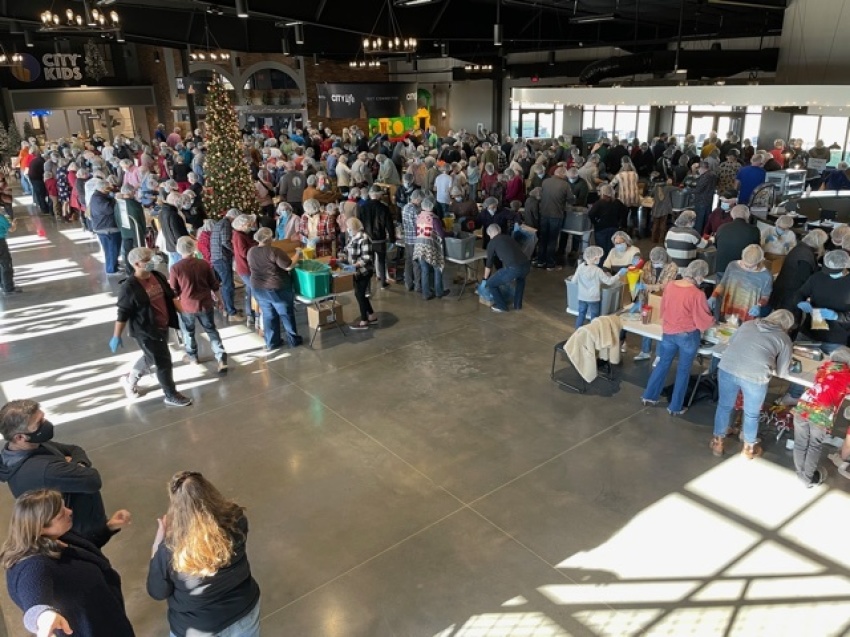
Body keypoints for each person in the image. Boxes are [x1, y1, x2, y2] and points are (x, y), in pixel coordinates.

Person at [1, 490, 135, 637]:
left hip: (105, 617)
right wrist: (43, 616)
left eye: (64, 506)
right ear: (40, 527)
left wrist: (108, 528)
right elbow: (34, 603)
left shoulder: (57, 535)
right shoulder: (33, 567)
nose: (69, 512)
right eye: (60, 514)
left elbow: (82, 549)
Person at [0, 399, 131, 548]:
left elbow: (74, 449)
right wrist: (76, 465)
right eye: (39, 423)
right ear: (19, 437)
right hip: (81, 536)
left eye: (43, 417)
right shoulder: (45, 470)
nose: (46, 423)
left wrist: (74, 465)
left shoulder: (30, 446)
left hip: (87, 528)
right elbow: (92, 480)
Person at [147, 471, 260, 637]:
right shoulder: (237, 520)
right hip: (244, 612)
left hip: (197, 628)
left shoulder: (170, 550)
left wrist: (158, 544)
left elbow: (157, 592)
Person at [110, 246, 193, 407]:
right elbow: (123, 313)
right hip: (146, 331)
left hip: (162, 325)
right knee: (164, 362)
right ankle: (170, 394)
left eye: (151, 259)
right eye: (146, 261)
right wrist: (116, 335)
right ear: (136, 264)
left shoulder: (157, 276)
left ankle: (130, 379)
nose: (151, 262)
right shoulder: (130, 287)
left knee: (151, 357)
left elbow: (171, 296)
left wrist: (184, 313)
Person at [711, 310, 794, 459]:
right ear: (787, 326)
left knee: (724, 406)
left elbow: (732, 342)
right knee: (752, 414)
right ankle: (748, 449)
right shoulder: (784, 338)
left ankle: (718, 442)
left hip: (728, 367)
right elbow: (782, 372)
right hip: (755, 376)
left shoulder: (748, 324)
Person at [641, 259, 714, 416]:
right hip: (688, 336)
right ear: (699, 276)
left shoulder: (670, 285)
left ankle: (649, 396)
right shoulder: (697, 294)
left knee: (662, 364)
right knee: (683, 370)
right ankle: (675, 407)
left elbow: (664, 308)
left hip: (668, 332)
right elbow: (703, 320)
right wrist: (712, 320)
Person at [789, 347, 850, 487]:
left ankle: (801, 474)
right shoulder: (847, 374)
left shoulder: (823, 368)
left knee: (800, 443)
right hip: (821, 412)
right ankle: (807, 478)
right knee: (814, 445)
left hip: (804, 405)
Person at [169, 236, 228, 372]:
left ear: (179, 249)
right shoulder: (204, 264)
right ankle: (221, 358)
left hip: (187, 306)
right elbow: (214, 284)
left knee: (188, 332)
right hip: (205, 303)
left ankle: (193, 357)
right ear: (193, 247)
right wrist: (219, 300)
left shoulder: (176, 268)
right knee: (211, 330)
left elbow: (174, 290)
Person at [247, 227, 303, 350]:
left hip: (258, 288)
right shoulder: (275, 251)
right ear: (270, 238)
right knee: (286, 314)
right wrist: (298, 253)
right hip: (277, 288)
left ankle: (272, 342)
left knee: (268, 315)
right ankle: (293, 340)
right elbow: (288, 266)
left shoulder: (251, 251)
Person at [634, 247, 679, 362]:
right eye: (653, 262)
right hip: (648, 298)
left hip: (663, 299)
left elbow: (665, 285)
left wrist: (648, 287)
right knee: (647, 323)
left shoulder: (672, 267)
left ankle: (659, 355)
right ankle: (645, 351)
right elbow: (643, 278)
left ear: (663, 259)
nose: (655, 264)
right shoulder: (648, 264)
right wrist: (641, 291)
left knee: (660, 326)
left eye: (657, 262)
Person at [709, 244, 772, 323]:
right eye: (745, 264)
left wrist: (759, 306)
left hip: (748, 313)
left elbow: (765, 296)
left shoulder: (766, 276)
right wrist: (714, 296)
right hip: (729, 308)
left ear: (759, 262)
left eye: (750, 267)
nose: (747, 268)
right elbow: (723, 284)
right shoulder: (733, 266)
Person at [572, 245, 625, 327]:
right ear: (594, 258)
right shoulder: (597, 270)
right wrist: (619, 274)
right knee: (594, 317)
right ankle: (594, 333)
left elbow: (573, 281)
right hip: (593, 298)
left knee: (581, 314)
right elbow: (609, 282)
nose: (600, 260)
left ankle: (578, 332)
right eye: (599, 258)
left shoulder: (580, 267)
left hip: (582, 297)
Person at [535, 167, 575, 270]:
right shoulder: (565, 185)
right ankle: (550, 263)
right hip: (556, 215)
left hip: (544, 213)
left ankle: (540, 261)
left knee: (543, 238)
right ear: (562, 175)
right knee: (552, 240)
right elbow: (571, 200)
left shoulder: (545, 182)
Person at [341, 217, 377, 330]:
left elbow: (366, 257)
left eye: (349, 228)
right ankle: (371, 315)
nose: (348, 230)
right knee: (359, 294)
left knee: (360, 295)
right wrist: (341, 257)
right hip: (355, 272)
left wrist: (354, 266)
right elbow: (347, 249)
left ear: (355, 227)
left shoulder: (364, 238)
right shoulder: (352, 237)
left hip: (364, 271)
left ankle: (364, 320)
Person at [359, 186, 395, 288]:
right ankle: (383, 283)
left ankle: (368, 287)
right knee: (381, 261)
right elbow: (389, 225)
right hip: (380, 239)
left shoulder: (362, 207)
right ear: (379, 195)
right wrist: (392, 238)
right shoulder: (384, 208)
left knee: (368, 264)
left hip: (367, 239)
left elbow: (360, 224)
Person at [414, 198, 448, 300]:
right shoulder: (434, 219)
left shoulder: (419, 217)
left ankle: (426, 294)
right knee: (437, 268)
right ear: (432, 206)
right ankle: (439, 292)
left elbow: (417, 232)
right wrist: (452, 233)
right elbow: (441, 234)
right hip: (430, 247)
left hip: (419, 246)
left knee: (425, 270)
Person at [714, 204, 760, 278]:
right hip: (742, 269)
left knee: (720, 288)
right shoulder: (754, 230)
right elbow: (756, 250)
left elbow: (716, 245)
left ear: (732, 215)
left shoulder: (722, 227)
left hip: (722, 267)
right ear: (748, 215)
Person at [211, 209, 241, 321]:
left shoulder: (219, 223)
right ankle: (231, 312)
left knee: (225, 285)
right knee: (228, 285)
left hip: (217, 257)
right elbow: (225, 242)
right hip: (222, 258)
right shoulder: (226, 224)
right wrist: (236, 251)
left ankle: (227, 309)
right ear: (233, 218)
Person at [89, 179, 123, 275]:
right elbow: (109, 209)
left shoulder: (99, 196)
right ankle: (111, 269)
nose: (110, 189)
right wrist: (115, 199)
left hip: (106, 226)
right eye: (108, 187)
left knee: (113, 249)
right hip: (106, 228)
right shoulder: (98, 199)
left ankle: (114, 265)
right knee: (112, 249)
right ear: (103, 188)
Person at [232, 214, 259, 329]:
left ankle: (250, 315)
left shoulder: (241, 234)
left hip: (244, 268)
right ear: (242, 225)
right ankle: (256, 315)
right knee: (255, 291)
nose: (250, 226)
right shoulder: (239, 236)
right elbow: (244, 252)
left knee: (249, 291)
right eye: (248, 224)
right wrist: (256, 247)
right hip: (246, 269)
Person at [588, 185, 625, 262]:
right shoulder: (617, 202)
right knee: (612, 249)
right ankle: (611, 266)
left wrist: (595, 222)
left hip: (601, 229)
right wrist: (620, 222)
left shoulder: (599, 203)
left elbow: (591, 214)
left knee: (601, 251)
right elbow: (625, 211)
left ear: (602, 193)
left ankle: (602, 267)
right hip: (614, 228)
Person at [0, 206, 21, 296]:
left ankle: (2, 284)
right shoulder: (1, 217)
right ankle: (8, 288)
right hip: (0, 243)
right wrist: (14, 223)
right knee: (6, 264)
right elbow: (11, 229)